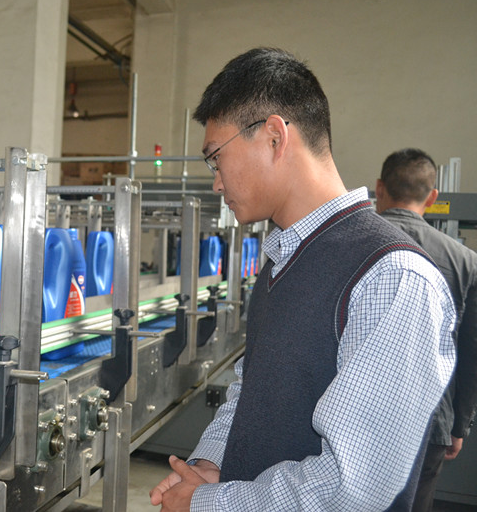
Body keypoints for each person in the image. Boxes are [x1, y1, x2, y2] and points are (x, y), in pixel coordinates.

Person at [149, 47, 456, 511]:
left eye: (216, 158)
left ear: (274, 136)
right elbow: (252, 389)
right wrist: (213, 463)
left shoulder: (391, 277)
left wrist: (210, 504)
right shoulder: (282, 260)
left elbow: (352, 488)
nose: (216, 182)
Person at [375, 148, 477, 512]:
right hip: (431, 420)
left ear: (379, 188)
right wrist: (459, 426)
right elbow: (470, 352)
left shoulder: (351, 244)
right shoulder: (465, 262)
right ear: (432, 197)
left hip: (360, 420)